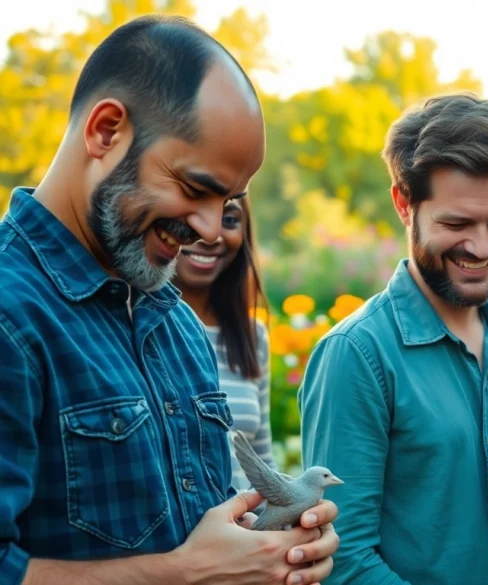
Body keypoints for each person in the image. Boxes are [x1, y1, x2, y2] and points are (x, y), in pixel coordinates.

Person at [0, 15, 337, 585]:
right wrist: (182, 575)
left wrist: (276, 541)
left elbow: (202, 530)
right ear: (106, 131)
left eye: (228, 199)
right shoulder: (12, 316)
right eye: (195, 188)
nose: (211, 228)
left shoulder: (176, 322)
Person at [299, 94, 488, 585]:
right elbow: (342, 560)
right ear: (403, 204)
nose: (481, 247)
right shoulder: (356, 354)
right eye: (456, 224)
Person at [173, 197, 277, 493]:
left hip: (252, 533)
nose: (212, 234)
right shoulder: (134, 328)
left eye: (229, 220)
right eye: (192, 213)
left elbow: (262, 458)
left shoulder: (251, 336)